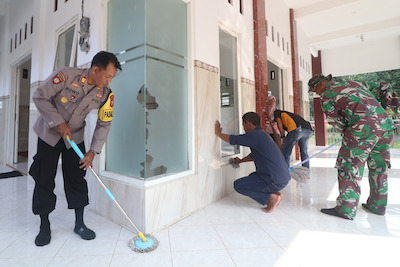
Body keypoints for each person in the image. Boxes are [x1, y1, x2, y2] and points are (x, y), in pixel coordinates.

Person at [29, 51, 122, 246]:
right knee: (44, 178)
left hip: (75, 139)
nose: (109, 81)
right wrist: (59, 123)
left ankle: (79, 224)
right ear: (95, 70)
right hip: (49, 135)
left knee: (77, 179)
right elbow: (39, 96)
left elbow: (104, 124)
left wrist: (92, 152)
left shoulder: (106, 95)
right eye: (107, 76)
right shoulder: (66, 75)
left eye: (112, 78)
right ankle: (44, 225)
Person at [308, 73, 397, 220]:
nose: (316, 94)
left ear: (320, 84)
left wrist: (349, 132)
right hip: (386, 127)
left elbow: (337, 122)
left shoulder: (327, 95)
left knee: (348, 167)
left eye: (314, 90)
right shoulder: (354, 83)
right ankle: (377, 206)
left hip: (361, 130)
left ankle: (346, 209)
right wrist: (384, 106)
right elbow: (384, 85)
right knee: (379, 167)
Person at [215, 112, 291, 213]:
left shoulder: (255, 135)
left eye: (243, 125)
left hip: (275, 180)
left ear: (248, 123)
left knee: (238, 185)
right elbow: (253, 156)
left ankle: (270, 198)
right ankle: (276, 194)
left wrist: (218, 133)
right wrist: (240, 161)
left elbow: (234, 139)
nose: (243, 128)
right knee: (253, 177)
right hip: (282, 178)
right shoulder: (262, 135)